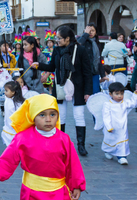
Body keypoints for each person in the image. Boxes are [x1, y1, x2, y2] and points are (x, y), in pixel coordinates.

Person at [32, 26, 93, 156]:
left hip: (78, 88)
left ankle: (81, 145)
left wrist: (88, 91)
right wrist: (39, 66)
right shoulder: (57, 50)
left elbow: (87, 72)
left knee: (79, 116)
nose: (57, 40)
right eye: (57, 38)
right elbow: (52, 67)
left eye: (59, 38)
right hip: (60, 87)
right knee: (60, 116)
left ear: (67, 39)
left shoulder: (80, 50)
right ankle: (61, 144)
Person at [102, 82, 137, 165]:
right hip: (112, 128)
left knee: (122, 141)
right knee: (111, 141)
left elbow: (133, 104)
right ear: (110, 94)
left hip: (122, 127)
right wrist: (108, 126)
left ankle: (122, 157)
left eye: (121, 94)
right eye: (117, 94)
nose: (120, 96)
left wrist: (136, 95)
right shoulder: (107, 105)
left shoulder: (124, 103)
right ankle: (108, 151)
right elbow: (106, 116)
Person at [78, 23, 105, 94]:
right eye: (88, 30)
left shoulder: (97, 43)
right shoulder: (82, 40)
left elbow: (99, 59)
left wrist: (102, 75)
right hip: (84, 72)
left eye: (93, 30)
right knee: (85, 93)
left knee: (96, 92)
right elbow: (78, 45)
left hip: (94, 71)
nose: (90, 32)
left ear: (96, 32)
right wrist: (85, 35)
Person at [1, 80, 25, 146]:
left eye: (6, 90)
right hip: (7, 125)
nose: (5, 92)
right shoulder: (7, 99)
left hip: (14, 127)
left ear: (13, 92)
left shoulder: (18, 103)